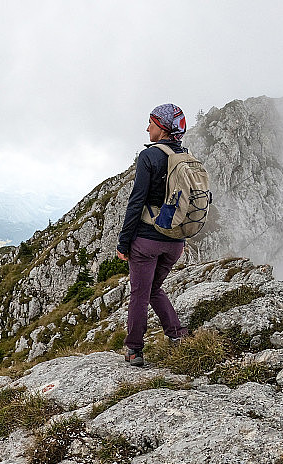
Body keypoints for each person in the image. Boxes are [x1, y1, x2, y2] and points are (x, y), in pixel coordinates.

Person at [117, 103, 189, 367]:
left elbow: (136, 202)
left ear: (162, 127)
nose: (147, 127)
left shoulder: (149, 157)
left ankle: (134, 348)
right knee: (154, 288)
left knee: (139, 293)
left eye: (151, 122)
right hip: (176, 242)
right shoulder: (185, 156)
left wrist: (124, 242)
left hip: (147, 240)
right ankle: (177, 334)